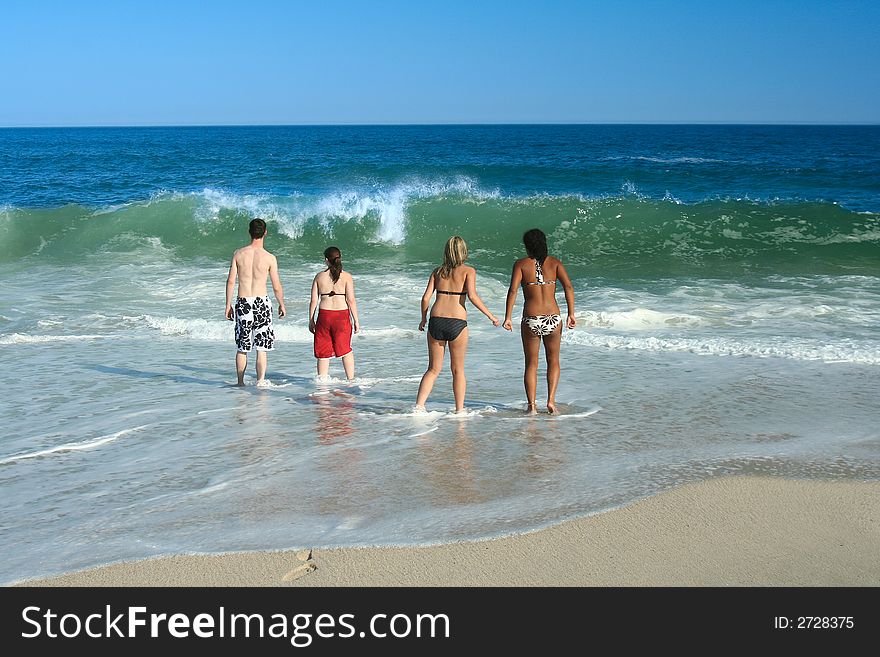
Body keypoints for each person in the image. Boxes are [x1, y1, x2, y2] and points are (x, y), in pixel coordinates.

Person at [415, 236, 499, 413]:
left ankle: (419, 406)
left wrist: (423, 319)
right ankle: (459, 411)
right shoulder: (469, 271)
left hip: (436, 321)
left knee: (433, 369)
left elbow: (425, 298)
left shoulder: (437, 272)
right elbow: (473, 297)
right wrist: (491, 316)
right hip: (457, 322)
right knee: (458, 370)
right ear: (463, 252)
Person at [502, 228, 575, 414]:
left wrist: (508, 317)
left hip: (531, 319)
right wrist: (571, 314)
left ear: (527, 246)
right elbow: (568, 286)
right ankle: (551, 401)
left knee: (531, 364)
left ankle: (532, 406)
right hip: (553, 318)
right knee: (554, 361)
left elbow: (513, 291)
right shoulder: (555, 263)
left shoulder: (521, 264)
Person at [225, 218, 286, 386]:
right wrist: (281, 304)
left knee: (242, 347)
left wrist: (228, 305)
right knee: (262, 347)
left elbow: (231, 281)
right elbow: (276, 286)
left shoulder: (238, 254)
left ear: (249, 232)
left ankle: (240, 382)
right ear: (265, 232)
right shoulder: (269, 258)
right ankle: (260, 381)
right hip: (262, 303)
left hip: (243, 302)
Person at [308, 246, 360, 381]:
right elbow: (351, 300)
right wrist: (356, 321)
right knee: (345, 350)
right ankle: (351, 381)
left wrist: (311, 319)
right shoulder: (347, 277)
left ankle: (322, 382)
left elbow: (314, 300)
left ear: (326, 260)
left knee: (323, 352)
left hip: (324, 316)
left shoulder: (319, 277)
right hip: (341, 316)